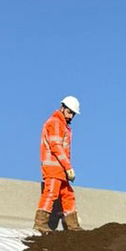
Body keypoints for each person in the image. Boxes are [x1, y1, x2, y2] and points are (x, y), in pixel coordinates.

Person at [36, 95, 82, 232]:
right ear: (62, 108)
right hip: (54, 167)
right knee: (51, 193)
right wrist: (68, 167)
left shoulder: (62, 125)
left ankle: (73, 225)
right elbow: (56, 146)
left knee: (68, 194)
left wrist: (67, 168)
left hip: (60, 168)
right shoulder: (55, 122)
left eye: (73, 114)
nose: (71, 116)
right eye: (69, 112)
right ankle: (40, 223)